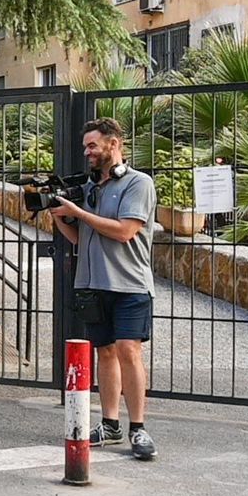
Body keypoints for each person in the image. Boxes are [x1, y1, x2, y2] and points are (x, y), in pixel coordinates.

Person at [49, 116, 158, 460]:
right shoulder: (92, 189)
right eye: (85, 147)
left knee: (129, 351)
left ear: (114, 144)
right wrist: (59, 218)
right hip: (94, 283)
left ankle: (137, 428)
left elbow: (125, 231)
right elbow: (83, 238)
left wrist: (79, 212)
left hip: (129, 284)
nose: (87, 152)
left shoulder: (138, 184)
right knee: (105, 352)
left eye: (92, 145)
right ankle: (109, 424)